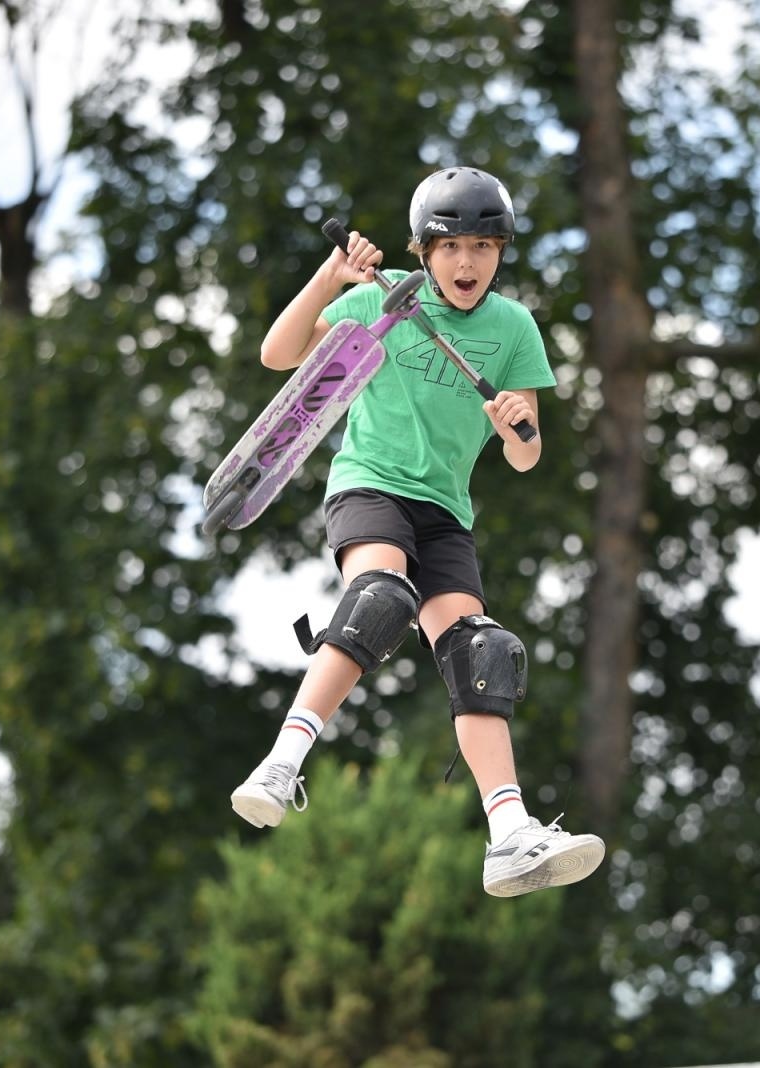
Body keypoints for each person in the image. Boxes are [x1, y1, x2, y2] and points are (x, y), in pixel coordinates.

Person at [229, 166, 605, 897]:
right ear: (423, 250)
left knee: (483, 651)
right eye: (452, 246)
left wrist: (517, 428)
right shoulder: (382, 299)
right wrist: (331, 280)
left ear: (501, 252)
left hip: (446, 515)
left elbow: (527, 458)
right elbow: (279, 355)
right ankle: (281, 760)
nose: (468, 263)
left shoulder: (513, 328)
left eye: (484, 247)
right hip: (370, 486)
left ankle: (510, 835)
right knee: (381, 598)